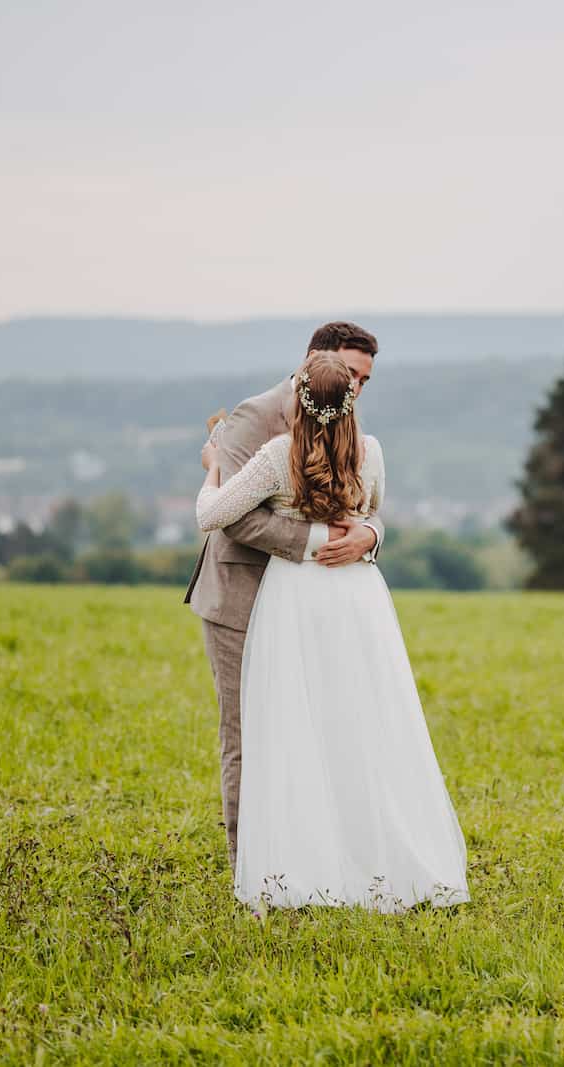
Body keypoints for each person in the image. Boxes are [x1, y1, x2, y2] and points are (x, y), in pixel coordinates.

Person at [195, 350, 469, 913]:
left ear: (299, 396)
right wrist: (352, 530)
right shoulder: (371, 453)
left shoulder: (277, 455)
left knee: (288, 723)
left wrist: (213, 469)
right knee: (361, 720)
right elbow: (370, 506)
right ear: (350, 401)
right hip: (354, 597)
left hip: (295, 593)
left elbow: (212, 515)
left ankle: (296, 866)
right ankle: (372, 861)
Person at [184, 323, 383, 870]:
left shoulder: (347, 422)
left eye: (364, 380)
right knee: (247, 736)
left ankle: (312, 857)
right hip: (241, 598)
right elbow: (232, 517)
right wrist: (318, 542)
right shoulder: (254, 417)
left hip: (314, 604)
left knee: (315, 728)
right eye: (349, 374)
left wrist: (369, 536)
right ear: (312, 361)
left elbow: (365, 503)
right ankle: (247, 866)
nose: (356, 389)